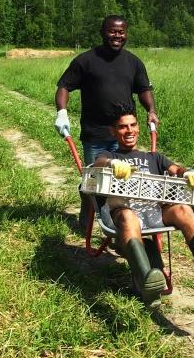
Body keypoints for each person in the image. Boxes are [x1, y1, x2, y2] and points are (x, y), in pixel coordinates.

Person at [93, 106, 194, 308]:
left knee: (183, 209)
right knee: (128, 217)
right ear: (113, 131)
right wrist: (111, 164)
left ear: (138, 127)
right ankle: (147, 282)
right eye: (122, 127)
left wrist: (186, 173)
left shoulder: (154, 157)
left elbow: (175, 169)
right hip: (125, 211)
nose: (129, 131)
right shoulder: (110, 155)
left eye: (133, 125)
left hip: (154, 210)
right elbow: (98, 163)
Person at [55, 15, 159, 227]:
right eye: (112, 31)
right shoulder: (86, 60)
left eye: (121, 32)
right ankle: (88, 214)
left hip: (124, 133)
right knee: (96, 181)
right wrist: (62, 112)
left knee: (127, 181)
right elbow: (64, 86)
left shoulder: (133, 62)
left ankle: (122, 225)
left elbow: (144, 89)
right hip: (96, 134)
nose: (117, 36)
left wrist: (151, 110)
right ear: (103, 32)